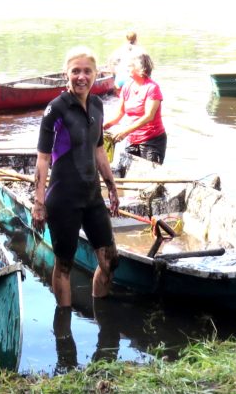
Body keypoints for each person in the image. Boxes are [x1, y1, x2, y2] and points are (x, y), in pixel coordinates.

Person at [32, 47, 120, 308]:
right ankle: (64, 330)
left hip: (92, 197)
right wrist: (39, 203)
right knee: (64, 265)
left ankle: (102, 320)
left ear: (96, 74)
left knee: (109, 262)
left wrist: (111, 187)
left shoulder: (97, 104)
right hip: (63, 199)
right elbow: (43, 158)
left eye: (87, 71)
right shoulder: (55, 109)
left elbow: (98, 149)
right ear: (66, 74)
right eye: (76, 71)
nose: (81, 77)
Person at [103, 51, 167, 164]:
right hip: (132, 139)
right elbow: (119, 114)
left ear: (140, 69)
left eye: (130, 66)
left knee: (148, 176)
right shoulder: (127, 86)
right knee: (124, 171)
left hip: (152, 141)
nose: (126, 68)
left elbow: (149, 116)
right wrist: (102, 127)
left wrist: (125, 132)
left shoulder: (152, 88)